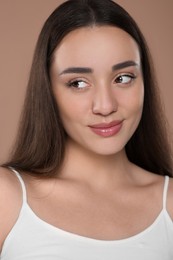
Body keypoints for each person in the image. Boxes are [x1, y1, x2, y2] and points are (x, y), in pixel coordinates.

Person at [0, 0, 173, 259]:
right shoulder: (6, 198)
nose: (105, 106)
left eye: (123, 78)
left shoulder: (170, 204)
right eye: (78, 83)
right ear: (48, 91)